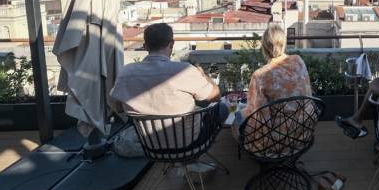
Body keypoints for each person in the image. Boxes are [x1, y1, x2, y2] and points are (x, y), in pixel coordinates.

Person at [110, 23, 227, 159]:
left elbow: (118, 108)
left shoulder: (126, 73)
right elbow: (215, 96)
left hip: (151, 148)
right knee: (223, 109)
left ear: (145, 46)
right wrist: (203, 75)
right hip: (190, 145)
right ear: (171, 44)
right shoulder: (185, 70)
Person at [233, 24, 312, 136]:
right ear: (284, 43)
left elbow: (257, 115)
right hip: (303, 129)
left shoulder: (260, 75)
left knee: (238, 116)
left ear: (264, 47)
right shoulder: (298, 61)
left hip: (276, 138)